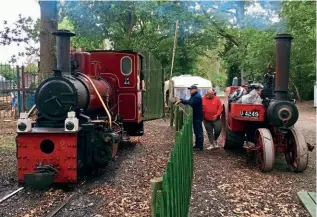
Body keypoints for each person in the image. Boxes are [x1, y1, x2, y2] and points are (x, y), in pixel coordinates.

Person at [176, 85, 204, 151]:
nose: (190, 90)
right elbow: (189, 101)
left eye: (191, 89)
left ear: (195, 89)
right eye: (190, 89)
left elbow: (190, 102)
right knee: (196, 131)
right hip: (195, 116)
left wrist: (181, 101)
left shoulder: (197, 97)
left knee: (198, 131)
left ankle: (200, 146)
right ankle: (197, 145)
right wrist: (182, 100)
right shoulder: (194, 96)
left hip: (197, 117)